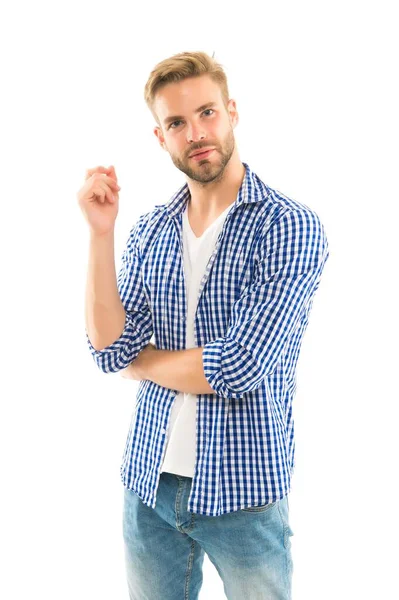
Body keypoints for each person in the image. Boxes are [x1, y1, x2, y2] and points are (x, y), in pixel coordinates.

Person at [78, 50, 329, 600]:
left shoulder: (289, 227)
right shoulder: (150, 230)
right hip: (149, 486)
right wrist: (102, 233)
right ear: (160, 137)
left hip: (245, 494)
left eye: (207, 113)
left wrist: (140, 362)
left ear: (232, 112)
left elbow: (238, 366)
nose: (196, 132)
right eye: (176, 122)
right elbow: (107, 350)